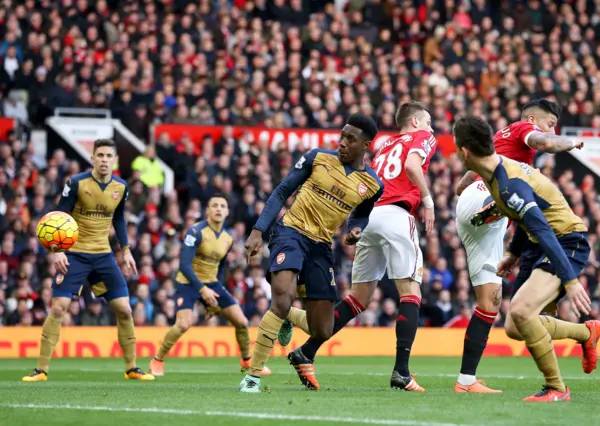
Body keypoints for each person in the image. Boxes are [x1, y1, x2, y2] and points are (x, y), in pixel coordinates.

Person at [281, 101, 436, 392]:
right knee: (410, 292)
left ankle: (307, 351)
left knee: (359, 298)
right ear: (416, 123)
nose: (431, 128)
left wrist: (355, 225)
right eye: (428, 122)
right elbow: (413, 166)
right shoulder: (423, 137)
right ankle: (402, 372)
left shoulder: (385, 146)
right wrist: (428, 202)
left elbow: (368, 186)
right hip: (397, 215)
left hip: (371, 218)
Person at [452, 100, 600, 394]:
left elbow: (543, 228)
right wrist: (513, 254)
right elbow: (523, 218)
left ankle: (556, 389)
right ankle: (587, 333)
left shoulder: (508, 180)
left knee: (520, 311)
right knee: (514, 327)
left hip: (564, 241)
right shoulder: (499, 175)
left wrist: (570, 281)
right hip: (538, 241)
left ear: (465, 153)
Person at [239, 113, 384, 393]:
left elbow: (361, 216)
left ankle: (287, 317)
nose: (342, 142)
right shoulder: (317, 157)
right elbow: (282, 191)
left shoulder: (373, 185)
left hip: (320, 245)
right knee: (280, 298)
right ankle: (252, 376)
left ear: (365, 145)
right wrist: (258, 230)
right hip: (290, 232)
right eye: (342, 136)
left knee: (322, 330)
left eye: (350, 139)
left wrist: (355, 230)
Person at [22, 139, 154, 382]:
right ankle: (41, 370)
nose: (104, 160)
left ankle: (132, 368)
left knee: (124, 309)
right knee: (59, 306)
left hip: (103, 255)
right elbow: (57, 215)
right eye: (100, 155)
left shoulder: (121, 187)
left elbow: (120, 219)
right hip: (74, 254)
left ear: (115, 160)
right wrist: (56, 249)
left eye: (108, 156)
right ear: (92, 158)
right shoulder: (76, 183)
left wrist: (125, 250)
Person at [149, 195, 271, 377]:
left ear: (227, 211)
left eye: (223, 206)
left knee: (242, 322)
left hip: (211, 283)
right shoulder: (195, 231)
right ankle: (157, 360)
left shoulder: (228, 239)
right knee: (183, 324)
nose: (219, 209)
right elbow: (184, 265)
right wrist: (202, 290)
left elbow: (220, 267)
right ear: (207, 210)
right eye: (214, 205)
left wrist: (213, 293)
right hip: (188, 282)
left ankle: (247, 361)